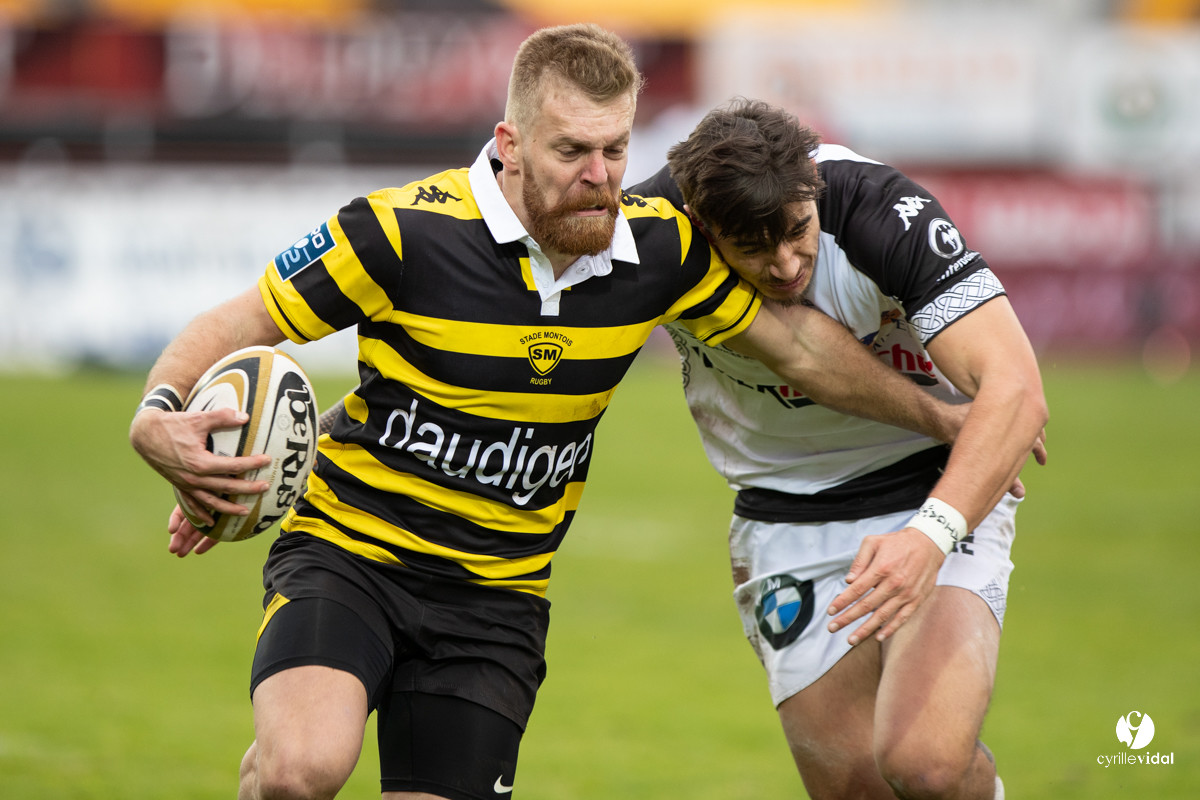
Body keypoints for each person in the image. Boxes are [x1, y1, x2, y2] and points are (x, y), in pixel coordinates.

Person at [129, 27, 971, 800]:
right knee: (301, 770)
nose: (600, 177)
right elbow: (235, 325)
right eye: (572, 150)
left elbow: (801, 351)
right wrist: (161, 415)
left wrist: (942, 419)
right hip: (351, 556)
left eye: (615, 149)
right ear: (511, 145)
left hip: (497, 602)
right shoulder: (397, 233)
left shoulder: (659, 250)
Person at [630, 99, 1048, 800]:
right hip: (783, 514)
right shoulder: (654, 230)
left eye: (798, 232)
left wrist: (930, 534)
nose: (788, 263)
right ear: (704, 228)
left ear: (812, 192)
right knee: (856, 790)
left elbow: (1017, 390)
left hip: (933, 489)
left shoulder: (880, 210)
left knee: (927, 765)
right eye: (756, 249)